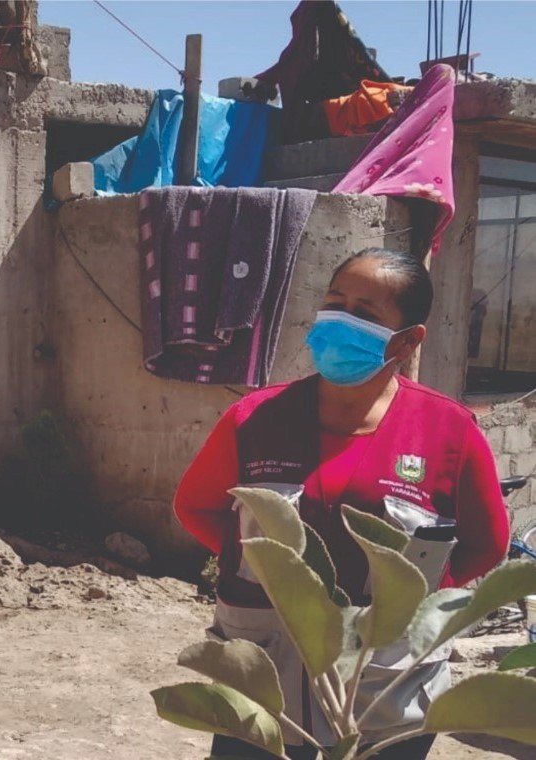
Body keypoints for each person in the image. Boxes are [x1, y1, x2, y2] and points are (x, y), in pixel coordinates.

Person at [174, 248, 509, 760]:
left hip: (382, 692)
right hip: (268, 678)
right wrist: (264, 570)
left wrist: (404, 606)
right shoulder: (255, 419)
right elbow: (197, 508)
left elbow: (486, 546)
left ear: (408, 339)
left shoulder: (449, 431)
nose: (340, 321)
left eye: (365, 315)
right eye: (335, 303)